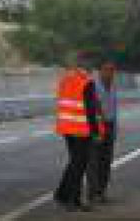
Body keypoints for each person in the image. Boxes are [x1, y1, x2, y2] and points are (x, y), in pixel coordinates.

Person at [54, 52, 102, 212]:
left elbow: (62, 101)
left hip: (67, 128)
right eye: (90, 62)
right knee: (78, 165)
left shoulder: (66, 79)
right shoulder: (86, 82)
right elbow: (90, 110)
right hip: (81, 129)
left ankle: (66, 196)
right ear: (86, 63)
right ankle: (68, 199)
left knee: (74, 163)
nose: (92, 66)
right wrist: (96, 132)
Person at [86, 61, 120, 204]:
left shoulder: (113, 86)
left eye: (112, 71)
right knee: (94, 161)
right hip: (96, 126)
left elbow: (114, 108)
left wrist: (115, 129)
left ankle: (102, 192)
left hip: (110, 125)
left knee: (106, 161)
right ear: (100, 71)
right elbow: (92, 109)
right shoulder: (92, 85)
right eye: (107, 70)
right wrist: (95, 131)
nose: (110, 73)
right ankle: (92, 193)